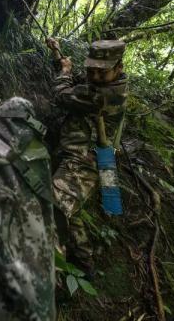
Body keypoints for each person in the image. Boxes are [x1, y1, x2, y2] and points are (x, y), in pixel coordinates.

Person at [46, 37, 128, 276]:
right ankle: (84, 263)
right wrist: (58, 55)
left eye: (101, 72)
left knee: (51, 210)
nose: (95, 76)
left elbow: (61, 94)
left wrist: (65, 71)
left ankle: (49, 279)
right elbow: (80, 83)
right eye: (91, 70)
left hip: (83, 163)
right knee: (69, 211)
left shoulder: (106, 96)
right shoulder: (109, 82)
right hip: (75, 155)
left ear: (119, 67)